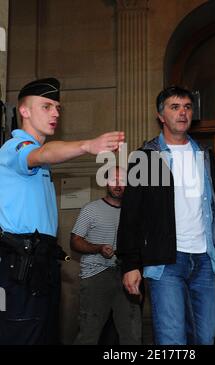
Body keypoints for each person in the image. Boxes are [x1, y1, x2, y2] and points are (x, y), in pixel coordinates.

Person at [0, 78, 124, 345]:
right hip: (18, 263)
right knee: (21, 334)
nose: (56, 113)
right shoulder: (15, 149)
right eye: (46, 106)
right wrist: (86, 146)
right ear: (24, 111)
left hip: (41, 261)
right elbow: (42, 154)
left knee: (44, 335)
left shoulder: (41, 158)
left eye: (57, 107)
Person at [117, 86, 215, 345]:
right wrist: (130, 263)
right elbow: (131, 214)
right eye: (174, 107)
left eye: (187, 107)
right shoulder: (146, 157)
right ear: (161, 115)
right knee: (172, 338)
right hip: (166, 261)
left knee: (206, 337)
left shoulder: (205, 155)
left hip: (204, 259)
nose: (182, 113)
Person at [70, 166, 142, 345]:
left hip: (127, 273)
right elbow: (75, 241)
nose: (118, 185)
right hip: (96, 275)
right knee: (89, 333)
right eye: (113, 180)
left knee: (132, 333)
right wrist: (98, 248)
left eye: (122, 180)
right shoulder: (91, 209)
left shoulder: (134, 211)